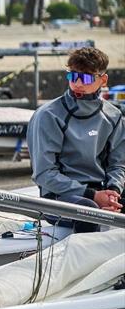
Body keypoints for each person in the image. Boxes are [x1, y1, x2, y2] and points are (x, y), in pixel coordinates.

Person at [27, 47, 124, 233]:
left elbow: (118, 165)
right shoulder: (48, 115)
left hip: (100, 191)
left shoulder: (113, 115)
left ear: (103, 80)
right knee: (89, 212)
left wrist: (113, 192)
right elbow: (44, 174)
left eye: (86, 78)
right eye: (73, 76)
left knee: (99, 206)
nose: (78, 83)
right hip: (59, 196)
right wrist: (93, 195)